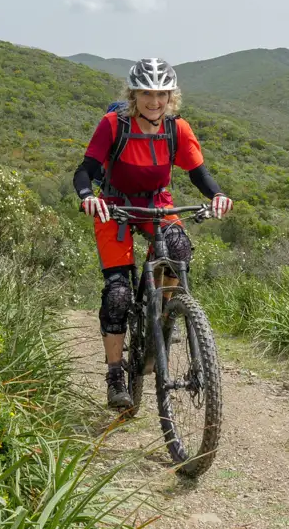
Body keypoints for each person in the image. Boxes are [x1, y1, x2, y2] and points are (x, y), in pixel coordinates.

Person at [72, 58, 233, 409]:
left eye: (162, 94)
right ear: (134, 94)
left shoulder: (177, 129)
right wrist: (88, 197)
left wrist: (217, 194)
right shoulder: (113, 125)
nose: (155, 101)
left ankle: (162, 315)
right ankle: (115, 374)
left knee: (179, 249)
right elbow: (85, 170)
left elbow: (199, 173)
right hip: (113, 206)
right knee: (118, 294)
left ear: (171, 96)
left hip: (157, 204)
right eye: (147, 93)